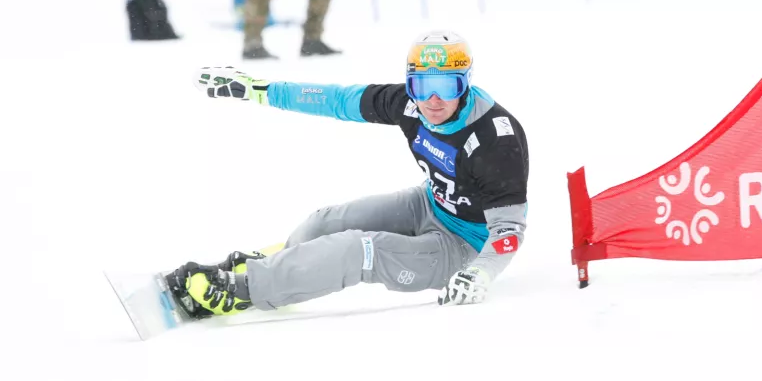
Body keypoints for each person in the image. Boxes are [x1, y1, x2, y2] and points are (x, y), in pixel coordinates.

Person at [166, 31, 529, 315]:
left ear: (465, 83)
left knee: (359, 251)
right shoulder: (408, 105)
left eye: (447, 86)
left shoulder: (494, 138)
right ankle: (280, 266)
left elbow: (509, 230)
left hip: (463, 248)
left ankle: (245, 290)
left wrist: (479, 274)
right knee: (324, 223)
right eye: (422, 86)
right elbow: (334, 99)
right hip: (430, 204)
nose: (433, 100)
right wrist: (259, 90)